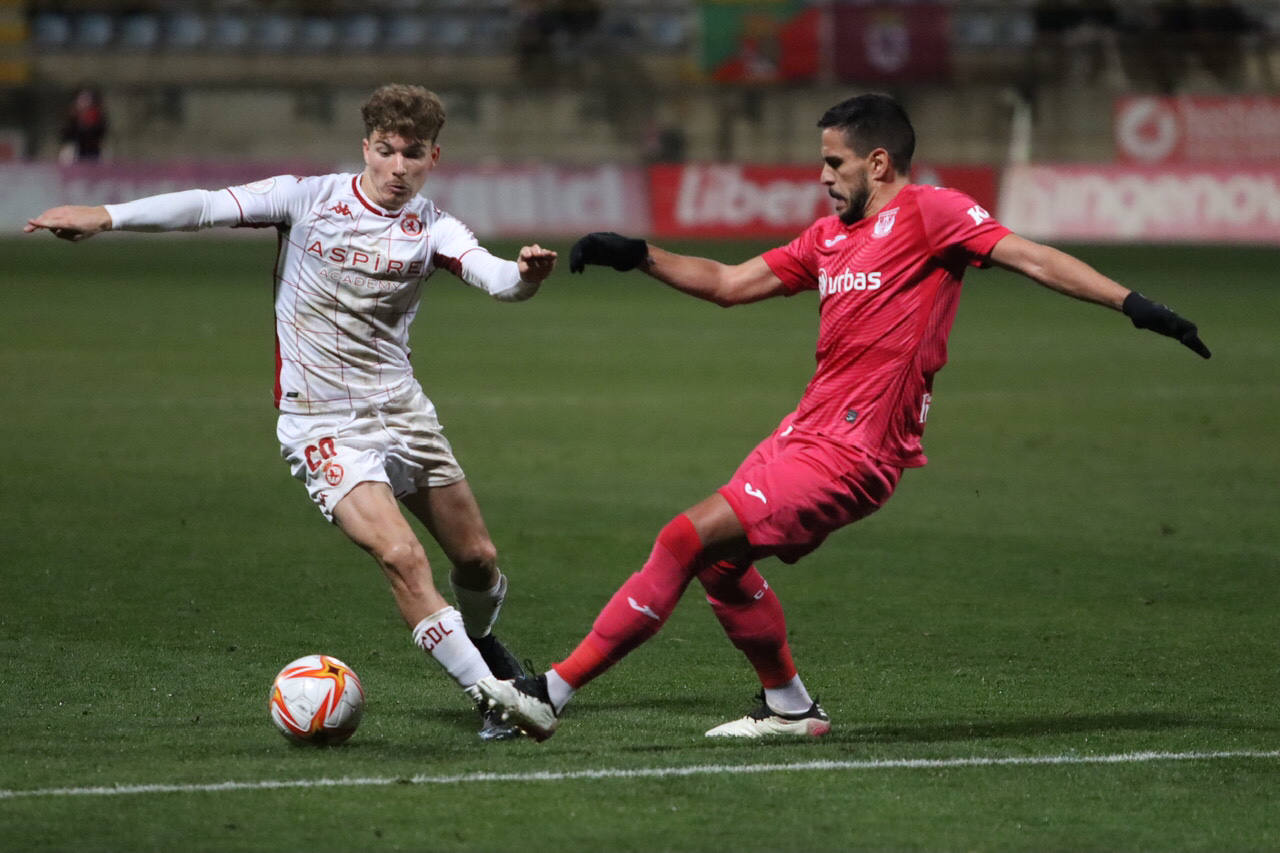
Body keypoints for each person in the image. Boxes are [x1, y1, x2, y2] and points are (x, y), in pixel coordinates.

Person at [477, 92, 1210, 741]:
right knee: (724, 568)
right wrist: (639, 254)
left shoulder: (936, 215)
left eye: (835, 162)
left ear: (880, 162)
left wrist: (1133, 304)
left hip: (857, 454)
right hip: (802, 433)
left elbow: (1034, 258)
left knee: (684, 534)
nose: (823, 177)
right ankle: (791, 707)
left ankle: (550, 692)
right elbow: (733, 282)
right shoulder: (828, 240)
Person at [26, 83, 558, 741]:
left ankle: (484, 645)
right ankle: (492, 697)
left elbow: (495, 277)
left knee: (476, 559)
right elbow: (205, 206)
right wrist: (106, 214)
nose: (397, 167)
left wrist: (527, 275)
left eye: (412, 155)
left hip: (402, 409)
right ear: (366, 147)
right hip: (322, 421)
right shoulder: (308, 199)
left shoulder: (433, 227)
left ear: (433, 157)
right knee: (401, 556)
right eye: (386, 151)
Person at [59, 87, 108, 164]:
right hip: (75, 152)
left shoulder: (97, 115)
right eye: (82, 99)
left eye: (87, 99)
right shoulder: (73, 115)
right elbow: (66, 134)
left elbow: (100, 133)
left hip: (93, 152)